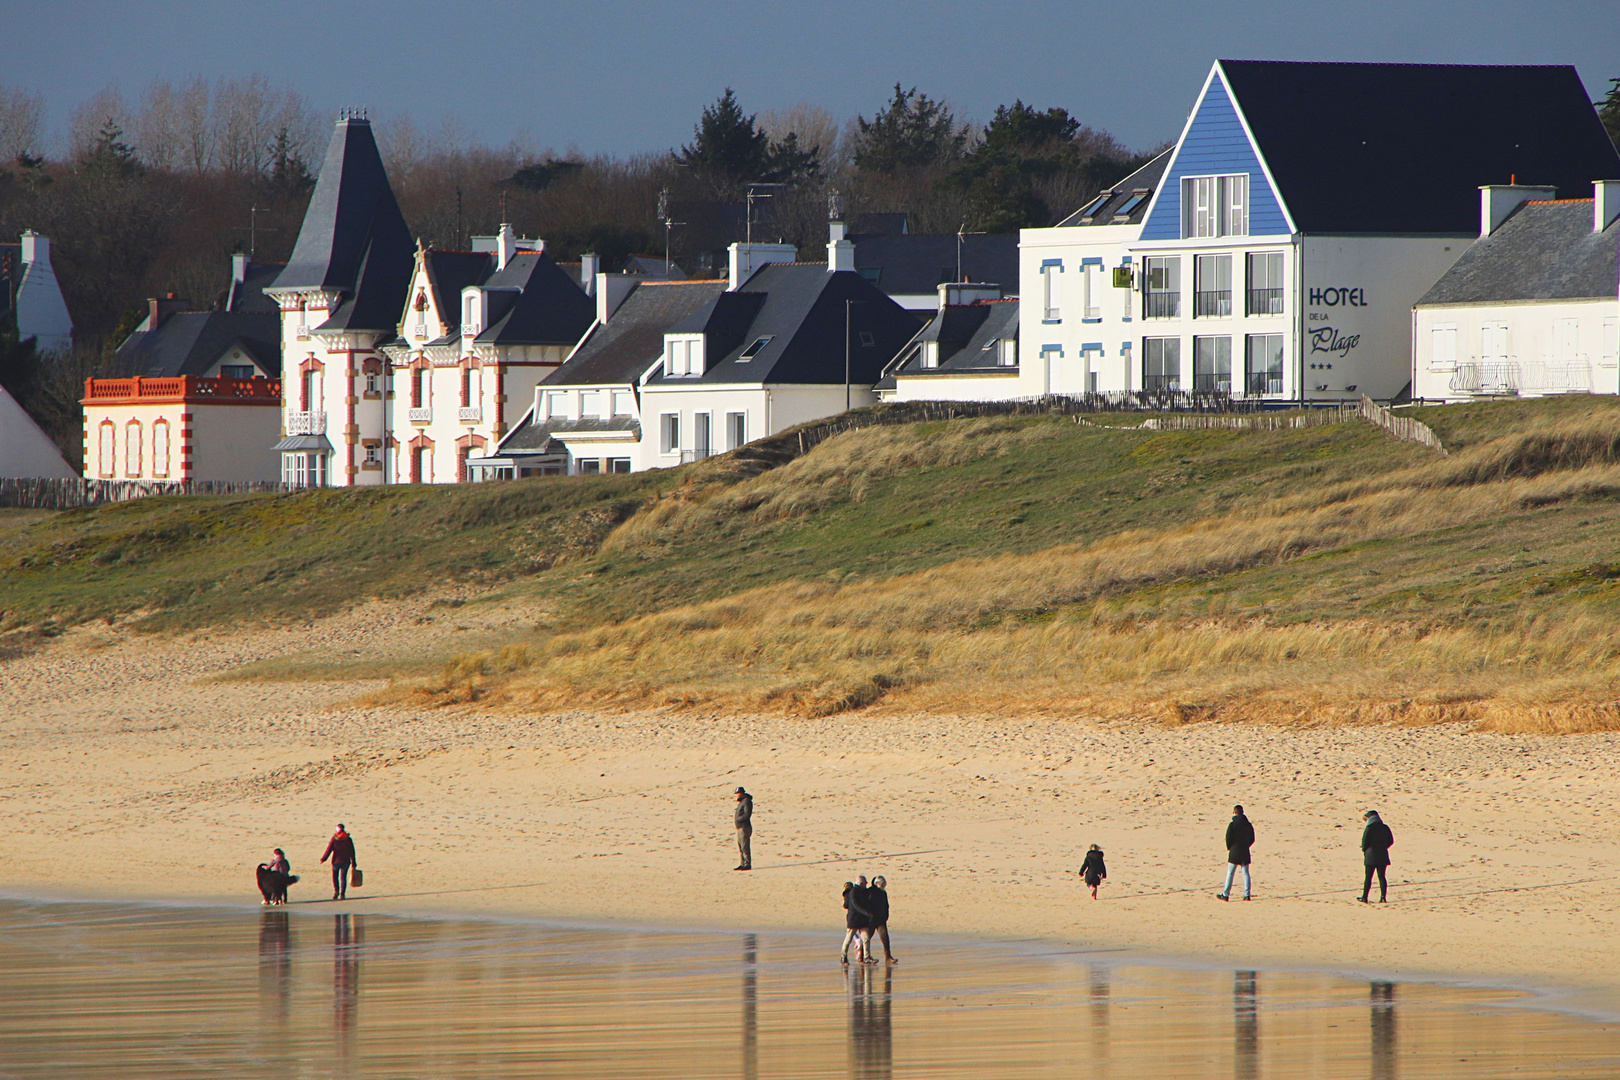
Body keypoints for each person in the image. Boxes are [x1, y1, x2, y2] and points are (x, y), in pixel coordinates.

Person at [1218, 805, 1255, 901]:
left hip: (1235, 851)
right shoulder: (1248, 824)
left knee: (1230, 873)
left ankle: (1225, 894)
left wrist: (1230, 847)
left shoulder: (1232, 824)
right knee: (1245, 873)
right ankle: (1247, 894)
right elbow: (1252, 838)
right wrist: (1246, 845)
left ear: (1234, 813)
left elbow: (1228, 838)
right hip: (1245, 851)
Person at [1359, 810, 1394, 903]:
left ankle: (1365, 897)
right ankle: (1383, 897)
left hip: (1371, 855)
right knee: (1382, 877)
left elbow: (1365, 842)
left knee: (1368, 877)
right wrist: (1383, 847)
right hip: (1382, 854)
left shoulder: (1369, 827)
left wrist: (1365, 850)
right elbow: (1391, 841)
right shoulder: (1385, 827)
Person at [321, 824, 358, 901]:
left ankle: (336, 891)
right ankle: (342, 894)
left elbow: (329, 849)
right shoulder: (348, 839)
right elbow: (352, 852)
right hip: (346, 861)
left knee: (335, 877)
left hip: (336, 861)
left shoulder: (334, 839)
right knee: (343, 878)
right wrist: (354, 862)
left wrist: (324, 859)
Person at [867, 875, 897, 964]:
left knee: (885, 938)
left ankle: (888, 956)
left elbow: (886, 905)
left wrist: (886, 915)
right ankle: (863, 955)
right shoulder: (870, 891)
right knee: (867, 938)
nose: (884, 885)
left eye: (885, 883)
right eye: (883, 883)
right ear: (877, 884)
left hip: (881, 919)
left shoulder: (883, 893)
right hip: (871, 920)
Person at [841, 878, 872, 964]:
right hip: (854, 919)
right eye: (865, 882)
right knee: (849, 939)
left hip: (863, 919)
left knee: (866, 938)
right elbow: (855, 905)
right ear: (861, 883)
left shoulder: (865, 891)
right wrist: (867, 913)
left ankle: (867, 956)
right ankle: (843, 956)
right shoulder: (853, 892)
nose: (866, 883)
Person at [734, 787, 753, 871]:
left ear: (741, 793)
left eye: (738, 793)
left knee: (745, 846)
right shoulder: (742, 802)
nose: (736, 795)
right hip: (739, 827)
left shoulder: (746, 801)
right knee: (741, 846)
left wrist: (739, 819)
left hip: (744, 827)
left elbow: (747, 814)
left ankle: (747, 864)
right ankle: (742, 863)